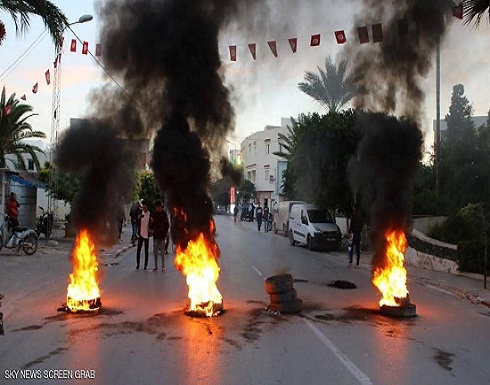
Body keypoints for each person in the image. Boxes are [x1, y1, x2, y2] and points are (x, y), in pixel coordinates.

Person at [151, 200, 169, 272]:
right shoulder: (154, 215)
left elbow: (167, 225)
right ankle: (156, 266)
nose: (157, 209)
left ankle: (163, 266)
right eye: (156, 207)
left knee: (162, 251)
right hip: (156, 235)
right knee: (155, 251)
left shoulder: (164, 215)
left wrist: (165, 233)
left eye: (159, 207)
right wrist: (152, 226)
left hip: (162, 236)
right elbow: (152, 225)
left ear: (161, 207)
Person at [136, 200, 151, 270]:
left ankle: (145, 265)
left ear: (147, 207)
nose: (144, 208)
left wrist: (151, 229)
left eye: (145, 207)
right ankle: (138, 264)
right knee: (138, 250)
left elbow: (151, 223)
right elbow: (137, 221)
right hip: (141, 234)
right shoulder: (140, 213)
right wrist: (138, 218)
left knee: (146, 250)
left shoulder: (149, 214)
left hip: (146, 234)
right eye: (143, 207)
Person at [349, 203, 364, 268]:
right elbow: (361, 225)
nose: (352, 208)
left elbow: (351, 224)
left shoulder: (353, 215)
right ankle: (357, 264)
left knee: (350, 248)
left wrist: (350, 232)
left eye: (353, 207)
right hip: (358, 234)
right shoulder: (360, 216)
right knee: (358, 249)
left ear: (354, 208)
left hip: (353, 234)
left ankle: (350, 262)